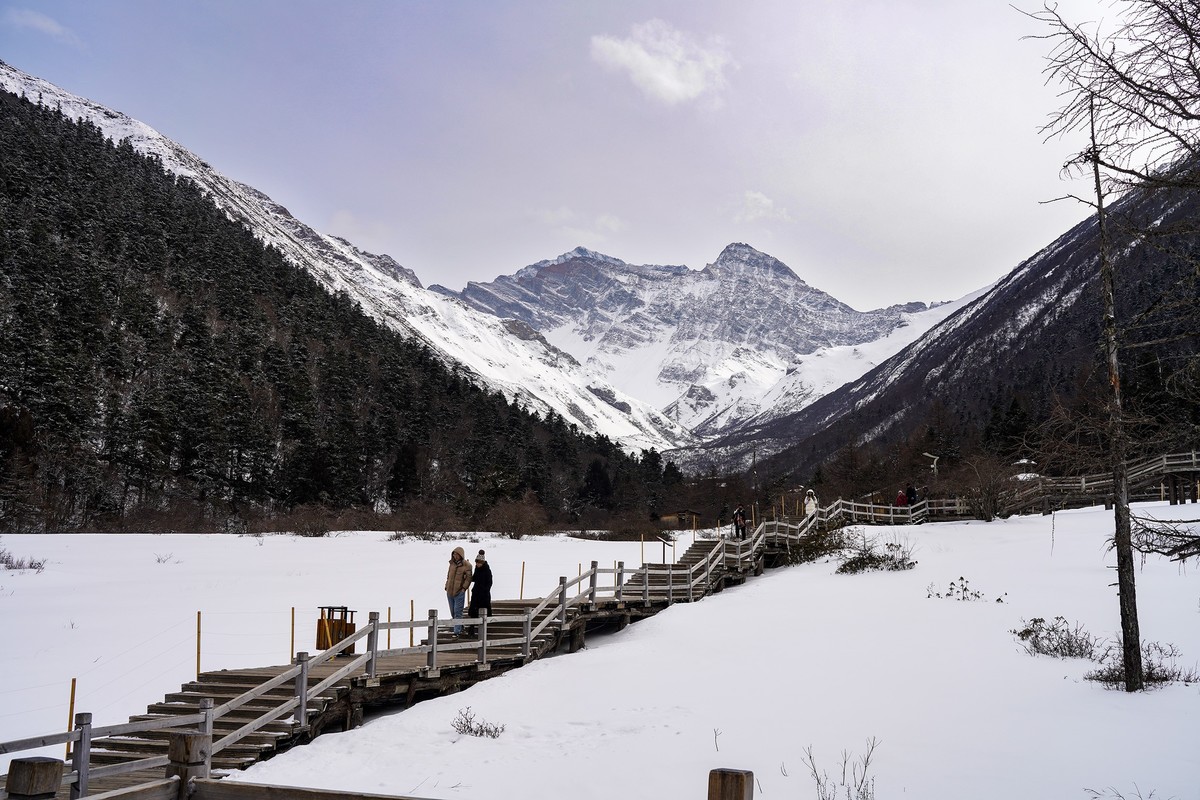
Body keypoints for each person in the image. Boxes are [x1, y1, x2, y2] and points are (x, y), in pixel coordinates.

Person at [444, 546, 472, 636]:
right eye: (454, 554)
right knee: (452, 612)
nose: (455, 556)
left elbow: (468, 578)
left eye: (456, 554)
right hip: (449, 592)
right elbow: (448, 576)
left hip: (459, 592)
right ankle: (460, 626)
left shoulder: (467, 565)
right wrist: (446, 586)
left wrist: (464, 589)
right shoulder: (451, 564)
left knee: (457, 612)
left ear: (461, 555)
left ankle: (456, 632)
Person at [466, 549, 493, 637]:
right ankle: (471, 630)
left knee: (483, 612)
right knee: (473, 612)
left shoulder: (487, 571)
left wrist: (484, 590)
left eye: (479, 563)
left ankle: (483, 631)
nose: (477, 564)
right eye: (477, 562)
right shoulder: (477, 569)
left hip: (484, 595)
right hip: (476, 594)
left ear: (482, 562)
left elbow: (489, 583)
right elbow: (474, 578)